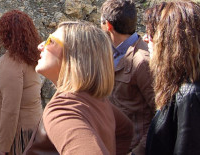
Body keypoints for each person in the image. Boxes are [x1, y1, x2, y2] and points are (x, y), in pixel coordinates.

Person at [25, 20, 133, 154]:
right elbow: (126, 129)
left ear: (73, 55)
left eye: (50, 41)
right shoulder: (96, 101)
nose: (40, 46)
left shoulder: (63, 111)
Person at [144, 0, 200, 154]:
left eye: (151, 34)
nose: (145, 39)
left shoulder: (194, 96)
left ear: (170, 42)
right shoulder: (190, 87)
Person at [0, 10, 43, 155]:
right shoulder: (29, 59)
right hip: (28, 134)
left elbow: (11, 110)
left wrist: (2, 149)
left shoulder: (13, 63)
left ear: (6, 34)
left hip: (17, 141)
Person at [100, 0, 155, 155]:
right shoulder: (109, 52)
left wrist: (138, 152)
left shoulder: (142, 62)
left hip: (133, 148)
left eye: (101, 22)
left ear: (108, 25)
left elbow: (161, 115)